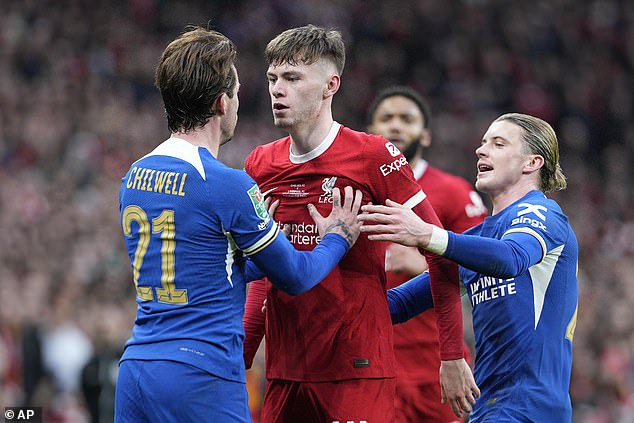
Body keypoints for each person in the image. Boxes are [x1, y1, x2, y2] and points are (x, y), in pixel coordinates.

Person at [115, 26, 364, 423]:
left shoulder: (134, 175)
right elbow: (296, 277)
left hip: (137, 367)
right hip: (201, 372)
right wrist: (337, 237)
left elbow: (200, 264)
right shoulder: (226, 183)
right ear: (220, 102)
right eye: (236, 92)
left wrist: (248, 254)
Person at [242, 25, 479, 423]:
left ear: (330, 85)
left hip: (357, 372)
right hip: (285, 375)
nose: (277, 89)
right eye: (273, 78)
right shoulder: (261, 163)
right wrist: (243, 357)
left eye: (292, 78)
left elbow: (441, 254)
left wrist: (452, 355)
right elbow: (263, 276)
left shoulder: (373, 156)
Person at [359, 113, 578, 422]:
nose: (481, 150)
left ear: (532, 163)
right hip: (488, 407)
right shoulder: (478, 238)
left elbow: (511, 258)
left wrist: (427, 234)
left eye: (498, 143)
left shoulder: (543, 214)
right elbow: (398, 305)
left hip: (531, 408)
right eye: (483, 142)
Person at [367, 86, 488, 422]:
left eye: (407, 119)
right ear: (370, 133)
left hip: (434, 366)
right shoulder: (352, 188)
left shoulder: (453, 191)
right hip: (367, 359)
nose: (395, 126)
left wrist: (423, 263)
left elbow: (483, 267)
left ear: (426, 135)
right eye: (386, 118)